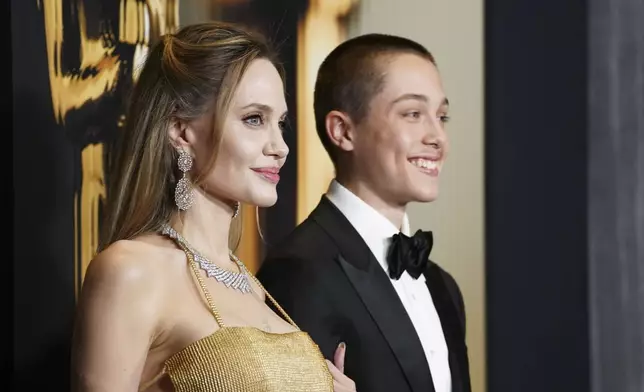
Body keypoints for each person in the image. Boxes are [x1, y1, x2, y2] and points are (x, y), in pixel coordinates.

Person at [70, 22, 355, 392]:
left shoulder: (251, 285)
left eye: (280, 123)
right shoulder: (132, 270)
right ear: (182, 131)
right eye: (254, 119)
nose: (280, 146)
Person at [257, 33, 472, 392]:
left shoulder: (442, 287)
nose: (438, 137)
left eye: (442, 116)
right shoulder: (298, 273)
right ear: (343, 130)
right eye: (413, 114)